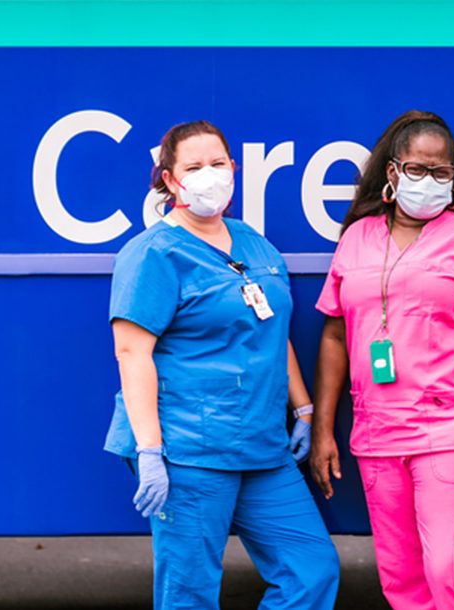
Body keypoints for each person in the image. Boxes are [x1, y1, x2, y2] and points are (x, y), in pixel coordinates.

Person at [103, 120, 340, 610]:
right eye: (193, 167)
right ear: (169, 179)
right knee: (189, 593)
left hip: (263, 447)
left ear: (234, 170)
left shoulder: (253, 243)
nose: (208, 175)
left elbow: (273, 330)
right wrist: (150, 452)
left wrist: (304, 409)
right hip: (188, 450)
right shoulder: (152, 254)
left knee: (312, 570)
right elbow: (132, 354)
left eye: (217, 164)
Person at [309, 110, 454, 610]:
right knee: (403, 581)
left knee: (452, 570)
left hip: (450, 431)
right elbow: (335, 336)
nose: (428, 180)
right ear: (393, 172)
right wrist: (324, 430)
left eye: (440, 171)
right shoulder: (358, 238)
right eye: (417, 169)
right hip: (378, 435)